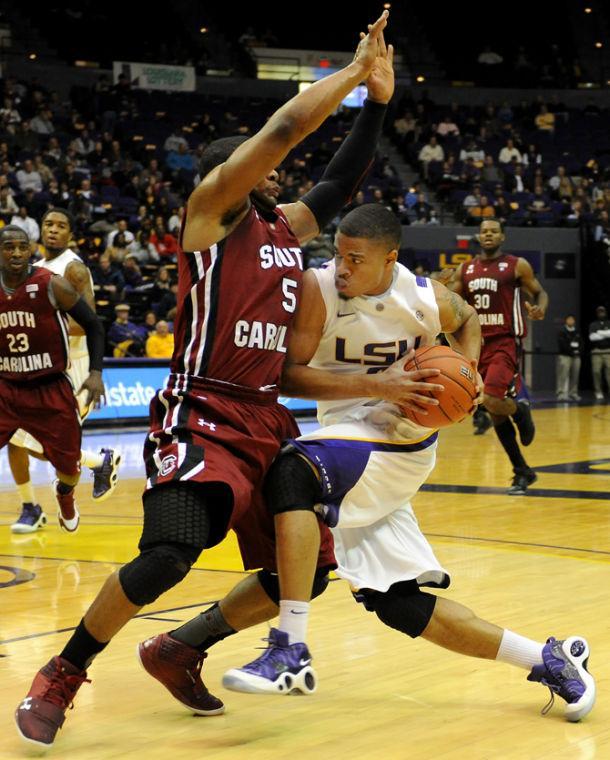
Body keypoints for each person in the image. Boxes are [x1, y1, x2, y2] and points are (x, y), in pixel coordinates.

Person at [15, 11, 395, 749]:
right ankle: (62, 671)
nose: (280, 178)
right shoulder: (209, 216)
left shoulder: (285, 227)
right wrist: (349, 74)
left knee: (305, 576)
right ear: (234, 173)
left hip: (266, 417)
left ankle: (182, 647)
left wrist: (378, 102)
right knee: (171, 550)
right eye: (265, 170)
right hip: (200, 410)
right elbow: (284, 130)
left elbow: (341, 176)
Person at [139, 206, 595, 724]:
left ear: (390, 260)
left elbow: (468, 321)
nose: (342, 268)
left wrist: (467, 380)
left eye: (355, 259)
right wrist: (377, 385)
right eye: (337, 254)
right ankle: (549, 658)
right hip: (348, 438)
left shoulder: (423, 296)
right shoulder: (320, 289)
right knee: (394, 602)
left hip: (402, 440)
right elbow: (287, 376)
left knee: (293, 471)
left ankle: (289, 647)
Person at [8, 209, 120, 534]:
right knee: (17, 439)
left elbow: (86, 324)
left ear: (70, 234)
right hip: (38, 367)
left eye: (61, 226)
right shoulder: (33, 270)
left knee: (42, 444)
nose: (53, 230)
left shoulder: (73, 268)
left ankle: (98, 462)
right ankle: (31, 506)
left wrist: (39, 329)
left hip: (74, 370)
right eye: (48, 225)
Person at [445, 219, 548, 495]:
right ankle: (522, 471)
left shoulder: (516, 265)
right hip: (478, 345)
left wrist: (539, 309)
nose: (488, 234)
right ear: (479, 236)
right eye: (484, 231)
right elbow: (448, 298)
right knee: (493, 410)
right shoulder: (465, 269)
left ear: (502, 236)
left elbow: (539, 292)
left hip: (505, 341)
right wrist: (437, 285)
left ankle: (520, 409)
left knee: (490, 401)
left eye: (493, 231)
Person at [556, 314, 582, 402]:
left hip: (576, 356)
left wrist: (578, 351)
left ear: (574, 321)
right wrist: (571, 351)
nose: (570, 321)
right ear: (566, 321)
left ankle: (573, 393)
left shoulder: (577, 331)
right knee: (563, 375)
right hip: (565, 356)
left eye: (572, 319)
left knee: (575, 375)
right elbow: (562, 344)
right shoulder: (562, 331)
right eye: (569, 319)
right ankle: (561, 393)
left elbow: (581, 343)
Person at [588, 305, 610, 401]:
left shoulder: (609, 323)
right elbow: (592, 338)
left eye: (603, 312)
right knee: (596, 372)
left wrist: (599, 333)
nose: (601, 313)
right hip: (596, 351)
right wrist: (606, 333)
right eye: (599, 312)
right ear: (597, 313)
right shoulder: (593, 324)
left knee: (609, 372)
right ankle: (598, 391)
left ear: (605, 313)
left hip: (608, 351)